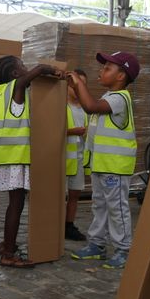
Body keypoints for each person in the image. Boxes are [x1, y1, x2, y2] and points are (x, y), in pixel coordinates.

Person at [0, 56, 61, 269]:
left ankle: (7, 244)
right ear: (16, 74)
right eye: (22, 66)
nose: (26, 69)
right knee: (16, 205)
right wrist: (52, 70)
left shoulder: (0, 93)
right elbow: (38, 69)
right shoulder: (16, 88)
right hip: (14, 157)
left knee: (13, 204)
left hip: (3, 156)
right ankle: (8, 253)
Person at [67, 51, 140, 269]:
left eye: (107, 68)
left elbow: (89, 106)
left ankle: (123, 249)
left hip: (115, 167)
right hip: (102, 165)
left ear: (121, 76)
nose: (101, 71)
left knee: (116, 207)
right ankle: (97, 245)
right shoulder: (108, 98)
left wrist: (78, 83)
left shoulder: (119, 99)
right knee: (99, 206)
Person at [65, 68, 88, 241]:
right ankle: (55, 224)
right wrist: (71, 131)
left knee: (74, 195)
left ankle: (69, 225)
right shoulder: (60, 106)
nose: (79, 90)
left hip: (78, 159)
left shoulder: (86, 108)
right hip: (63, 159)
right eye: (76, 86)